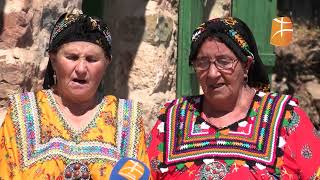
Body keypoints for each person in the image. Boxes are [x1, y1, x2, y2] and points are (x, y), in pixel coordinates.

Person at [147, 17, 320, 179]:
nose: (212, 73)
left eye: (224, 61)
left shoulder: (285, 118)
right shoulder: (172, 118)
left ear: (246, 66)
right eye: (202, 63)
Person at [0, 10, 149, 179]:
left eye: (92, 59)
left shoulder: (127, 119)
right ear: (54, 59)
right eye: (72, 57)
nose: (81, 69)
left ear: (107, 63)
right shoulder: (23, 113)